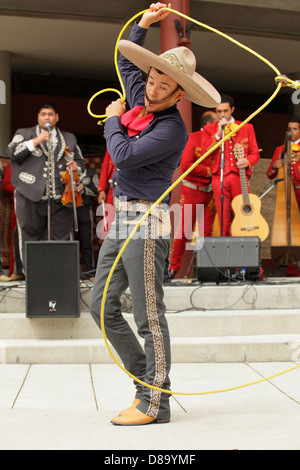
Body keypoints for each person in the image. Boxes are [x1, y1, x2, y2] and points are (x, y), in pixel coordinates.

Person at [89, 2, 220, 426]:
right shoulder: (140, 95)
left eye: (165, 85)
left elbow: (123, 157)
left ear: (180, 94)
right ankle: (146, 385)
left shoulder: (172, 129)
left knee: (148, 313)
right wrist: (142, 25)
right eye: (153, 77)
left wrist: (111, 120)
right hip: (121, 217)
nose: (153, 87)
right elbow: (124, 58)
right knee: (101, 306)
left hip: (149, 221)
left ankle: (155, 401)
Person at [6, 103, 85, 269]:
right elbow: (11, 152)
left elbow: (81, 162)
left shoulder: (69, 138)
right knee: (30, 238)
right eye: (43, 114)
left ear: (57, 117)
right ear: (38, 117)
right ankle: (35, 279)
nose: (47, 117)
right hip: (30, 196)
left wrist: (76, 167)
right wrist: (36, 140)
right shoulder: (24, 133)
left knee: (62, 240)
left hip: (61, 198)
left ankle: (61, 279)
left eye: (50, 114)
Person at [201, 94, 260, 236]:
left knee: (243, 211)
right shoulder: (211, 129)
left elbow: (255, 153)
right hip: (219, 176)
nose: (222, 115)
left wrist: (248, 161)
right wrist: (218, 134)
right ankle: (225, 243)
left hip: (239, 176)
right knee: (223, 214)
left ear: (232, 109)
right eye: (219, 111)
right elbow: (204, 153)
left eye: (225, 111)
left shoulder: (246, 127)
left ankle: (244, 239)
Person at [168, 111, 218, 279]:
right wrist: (211, 171)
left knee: (207, 233)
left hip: (210, 192)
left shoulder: (221, 141)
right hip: (192, 190)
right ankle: (172, 268)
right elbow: (186, 166)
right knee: (184, 230)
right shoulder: (193, 138)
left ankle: (205, 269)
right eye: (217, 123)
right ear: (208, 125)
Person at [267, 117, 300, 209]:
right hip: (286, 192)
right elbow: (270, 175)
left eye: (295, 129)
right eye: (289, 129)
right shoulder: (280, 149)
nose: (291, 132)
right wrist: (274, 166)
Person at [2, 162, 24, 280]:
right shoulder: (14, 163)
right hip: (20, 204)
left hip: (39, 205)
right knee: (17, 238)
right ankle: (16, 271)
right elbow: (6, 184)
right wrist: (25, 190)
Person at [76, 168, 99, 280]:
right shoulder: (66, 172)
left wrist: (84, 189)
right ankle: (73, 272)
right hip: (69, 210)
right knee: (71, 243)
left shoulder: (90, 173)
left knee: (87, 242)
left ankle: (90, 272)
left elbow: (96, 190)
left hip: (85, 209)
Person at [97, 150, 115, 238]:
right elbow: (105, 168)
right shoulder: (115, 138)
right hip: (113, 189)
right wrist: (102, 189)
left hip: (131, 190)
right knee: (108, 223)